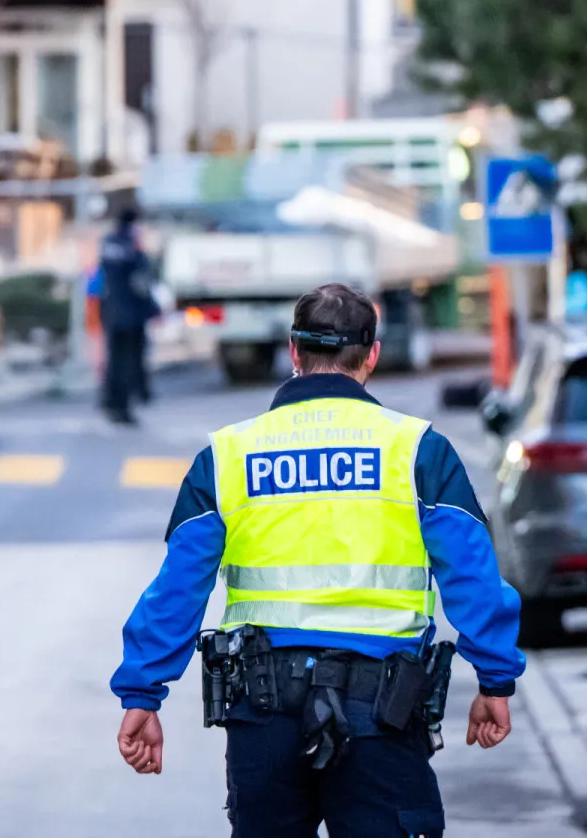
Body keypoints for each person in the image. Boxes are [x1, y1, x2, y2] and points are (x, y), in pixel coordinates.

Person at [111, 283, 526, 837]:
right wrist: (494, 679)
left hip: (263, 713)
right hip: (382, 713)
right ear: (372, 354)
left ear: (293, 350)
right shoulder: (418, 449)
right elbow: (474, 576)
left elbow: (178, 588)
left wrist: (145, 691)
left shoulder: (229, 454)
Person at [98, 207, 158, 425]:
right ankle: (122, 407)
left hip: (112, 311)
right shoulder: (132, 249)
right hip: (131, 314)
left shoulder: (110, 242)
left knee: (115, 361)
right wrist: (153, 306)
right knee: (128, 362)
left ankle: (110, 401)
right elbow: (140, 282)